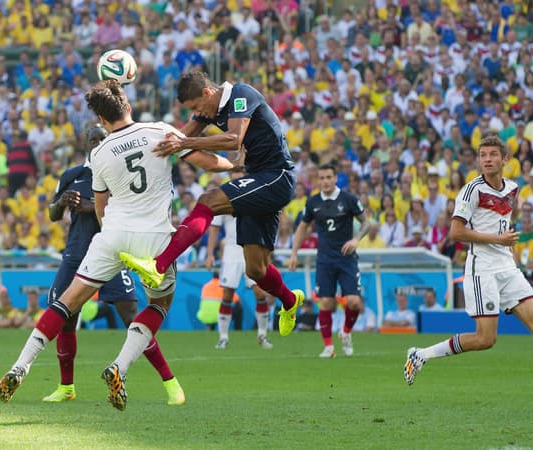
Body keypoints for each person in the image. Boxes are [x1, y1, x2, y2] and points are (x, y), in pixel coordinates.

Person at [0, 80, 238, 410]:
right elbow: (209, 163)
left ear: (101, 119)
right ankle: (119, 367)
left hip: (112, 235)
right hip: (154, 237)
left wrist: (110, 236)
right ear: (128, 107)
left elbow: (100, 206)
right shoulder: (159, 131)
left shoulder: (100, 152)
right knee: (158, 305)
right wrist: (236, 165)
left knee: (66, 302)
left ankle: (20, 366)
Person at [404, 135, 533, 405]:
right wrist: (498, 239)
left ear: (505, 159)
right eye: (483, 155)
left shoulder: (512, 188)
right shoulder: (471, 191)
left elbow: (504, 218)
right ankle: (421, 355)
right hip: (482, 269)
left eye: (493, 155)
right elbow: (456, 232)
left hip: (507, 266)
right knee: (486, 339)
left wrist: (506, 239)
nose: (487, 160)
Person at [120, 70, 305, 337]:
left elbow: (233, 140)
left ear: (207, 93)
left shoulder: (242, 94)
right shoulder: (208, 109)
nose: (197, 113)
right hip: (258, 179)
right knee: (256, 269)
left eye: (196, 107)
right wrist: (146, 153)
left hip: (277, 177)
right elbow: (178, 138)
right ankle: (290, 300)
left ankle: (159, 265)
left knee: (208, 200)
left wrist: (186, 143)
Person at [39, 125, 185, 405]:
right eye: (92, 139)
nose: (97, 143)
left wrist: (90, 205)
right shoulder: (72, 175)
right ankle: (66, 387)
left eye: (102, 138)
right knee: (66, 318)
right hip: (76, 254)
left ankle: (170, 382)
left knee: (131, 315)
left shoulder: (120, 169)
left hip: (114, 254)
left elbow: (124, 206)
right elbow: (53, 214)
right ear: (85, 143)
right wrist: (63, 203)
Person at [288, 164, 369, 358]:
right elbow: (302, 227)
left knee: (354, 302)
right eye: (322, 178)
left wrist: (356, 240)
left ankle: (346, 332)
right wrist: (294, 253)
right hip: (324, 259)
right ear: (318, 180)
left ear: (335, 178)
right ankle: (328, 347)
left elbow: (366, 222)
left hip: (346, 259)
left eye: (328, 177)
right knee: (325, 302)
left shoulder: (348, 199)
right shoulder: (313, 202)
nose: (325, 181)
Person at [205, 182, 274, 350]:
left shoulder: (254, 193)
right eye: (235, 172)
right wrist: (210, 253)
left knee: (260, 293)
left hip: (252, 246)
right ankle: (223, 337)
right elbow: (214, 228)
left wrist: (267, 251)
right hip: (231, 251)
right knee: (227, 295)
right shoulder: (224, 195)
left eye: (239, 172)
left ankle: (262, 334)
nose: (237, 175)